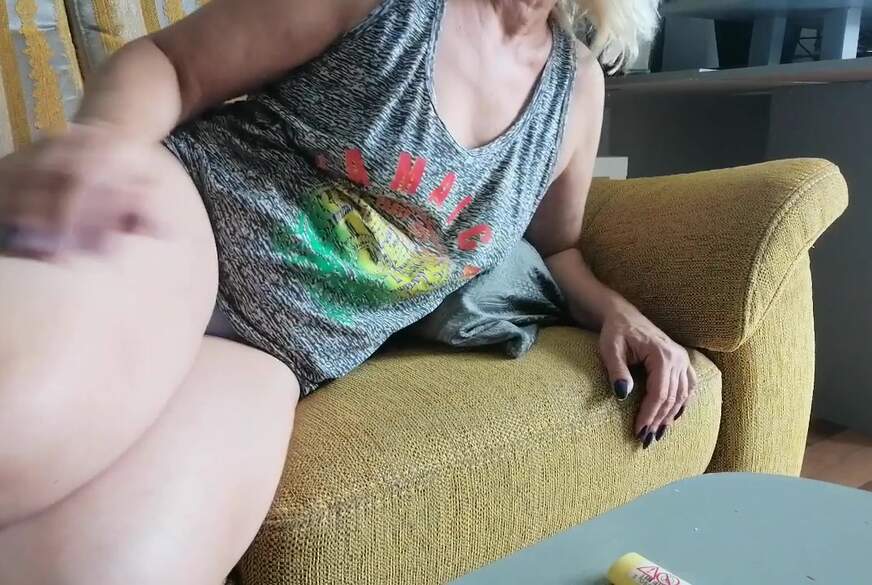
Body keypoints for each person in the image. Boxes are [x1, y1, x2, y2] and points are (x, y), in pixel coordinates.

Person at [0, 0, 692, 581]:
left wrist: (618, 312)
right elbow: (174, 65)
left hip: (279, 355)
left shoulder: (575, 90)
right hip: (191, 221)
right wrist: (106, 141)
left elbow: (557, 245)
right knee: (22, 422)